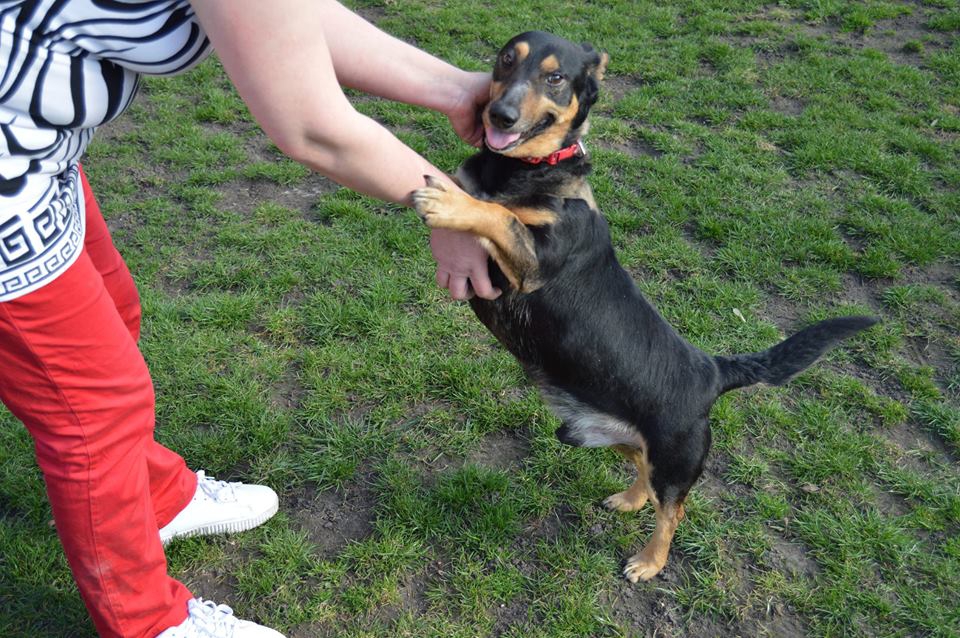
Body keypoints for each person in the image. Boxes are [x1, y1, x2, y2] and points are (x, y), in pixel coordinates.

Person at [0, 1, 499, 636]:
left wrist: (452, 88)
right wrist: (451, 209)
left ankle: (156, 499)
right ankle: (146, 624)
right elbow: (312, 127)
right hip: (9, 177)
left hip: (39, 159)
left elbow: (287, 15)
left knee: (115, 312)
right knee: (93, 407)